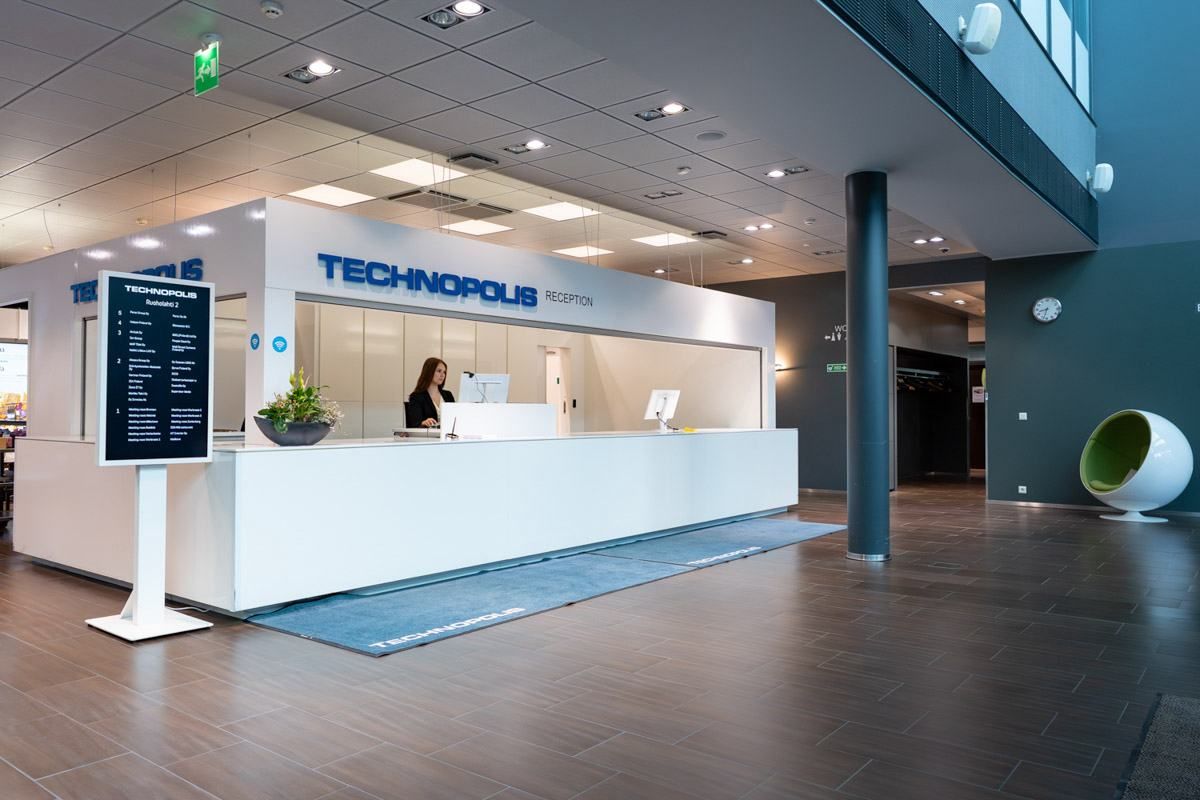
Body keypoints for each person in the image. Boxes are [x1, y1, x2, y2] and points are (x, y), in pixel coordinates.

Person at [406, 357, 454, 428]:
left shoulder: (448, 395)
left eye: (444, 372)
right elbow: (415, 423)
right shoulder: (416, 397)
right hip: (427, 434)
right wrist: (423, 423)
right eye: (439, 371)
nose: (442, 375)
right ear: (429, 372)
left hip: (448, 434)